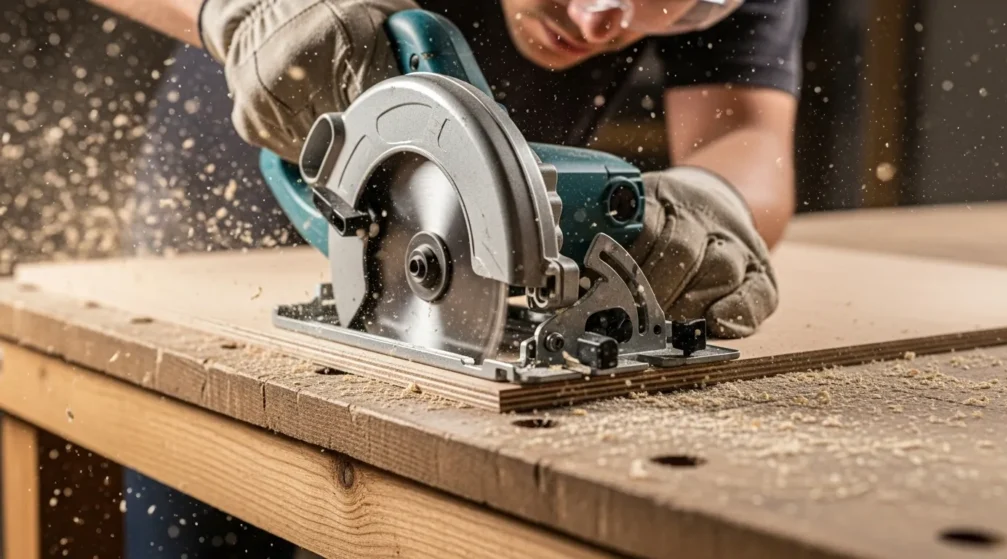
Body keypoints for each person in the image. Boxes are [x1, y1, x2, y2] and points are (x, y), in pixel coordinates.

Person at [88, 0, 807, 556]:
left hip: (469, 267)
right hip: (229, 224)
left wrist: (708, 204)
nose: (597, 20)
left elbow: (744, 135)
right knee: (205, 522)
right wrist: (234, 9)